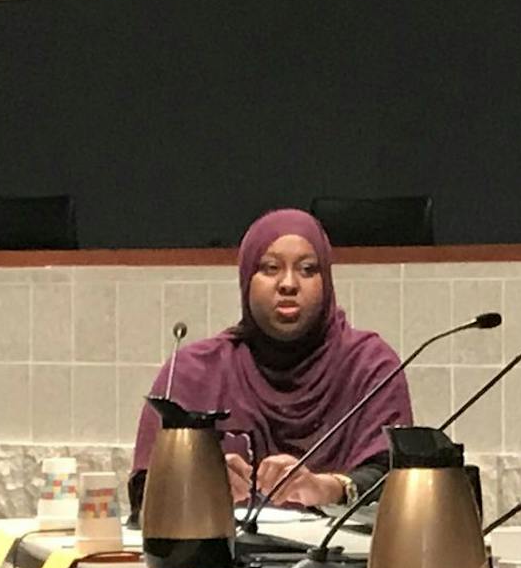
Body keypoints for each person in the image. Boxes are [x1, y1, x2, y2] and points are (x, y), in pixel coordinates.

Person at [129, 208, 410, 514]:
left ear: (327, 281)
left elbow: (396, 480)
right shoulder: (194, 371)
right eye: (270, 268)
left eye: (307, 269)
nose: (288, 284)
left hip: (339, 546)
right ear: (246, 279)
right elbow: (144, 497)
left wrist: (327, 488)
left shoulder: (369, 366)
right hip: (220, 544)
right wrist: (197, 481)